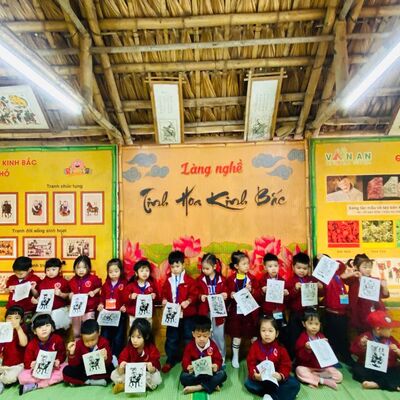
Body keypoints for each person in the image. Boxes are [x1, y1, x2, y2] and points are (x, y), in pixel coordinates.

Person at [245, 317, 300, 400]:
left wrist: (280, 376)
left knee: (295, 384)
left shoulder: (281, 348)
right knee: (249, 383)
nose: (267, 334)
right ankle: (278, 394)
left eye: (270, 331)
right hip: (261, 379)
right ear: (259, 332)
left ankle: (271, 396)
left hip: (276, 379)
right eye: (263, 330)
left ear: (276, 333)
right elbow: (251, 363)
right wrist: (255, 375)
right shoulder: (255, 346)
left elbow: (286, 365)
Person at [161, 251, 198, 373]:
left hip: (188, 315)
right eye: (172, 267)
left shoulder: (190, 281)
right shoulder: (168, 280)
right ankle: (170, 359)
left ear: (183, 265)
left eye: (177, 266)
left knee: (188, 337)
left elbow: (195, 294)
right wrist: (164, 299)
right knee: (171, 338)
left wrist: (188, 301)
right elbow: (164, 293)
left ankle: (188, 360)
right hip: (172, 314)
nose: (175, 269)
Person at [226, 250, 261, 368]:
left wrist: (252, 291)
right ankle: (235, 356)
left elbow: (259, 296)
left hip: (250, 312)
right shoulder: (230, 279)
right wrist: (230, 294)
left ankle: (255, 357)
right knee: (236, 335)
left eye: (247, 263)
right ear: (236, 266)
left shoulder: (252, 279)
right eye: (244, 264)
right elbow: (226, 293)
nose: (247, 266)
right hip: (236, 313)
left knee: (253, 335)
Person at [350, 310, 400, 391]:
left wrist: (397, 351)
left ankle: (377, 384)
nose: (391, 330)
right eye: (389, 328)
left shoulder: (391, 340)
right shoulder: (366, 337)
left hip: (388, 369)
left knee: (395, 372)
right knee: (357, 370)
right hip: (370, 368)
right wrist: (361, 345)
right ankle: (389, 384)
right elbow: (354, 351)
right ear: (378, 329)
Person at [314, 255, 350, 363]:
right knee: (332, 337)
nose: (326, 265)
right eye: (322, 263)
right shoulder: (322, 277)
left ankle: (345, 356)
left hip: (343, 312)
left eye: (327, 262)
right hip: (331, 312)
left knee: (343, 336)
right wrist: (320, 287)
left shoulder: (337, 273)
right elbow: (320, 293)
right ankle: (332, 359)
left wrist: (326, 259)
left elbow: (342, 265)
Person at [286, 252, 323, 357]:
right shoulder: (290, 281)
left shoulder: (312, 279)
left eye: (305, 268)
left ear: (308, 268)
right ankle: (294, 357)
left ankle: (311, 356)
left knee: (311, 335)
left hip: (311, 314)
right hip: (296, 314)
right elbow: (287, 299)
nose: (302, 271)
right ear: (293, 267)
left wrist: (320, 288)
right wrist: (295, 289)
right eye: (299, 268)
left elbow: (321, 294)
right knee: (294, 336)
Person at [18, 314, 66, 395]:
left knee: (65, 369)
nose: (44, 329)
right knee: (22, 377)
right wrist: (31, 364)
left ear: (52, 328)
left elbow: (62, 354)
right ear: (34, 331)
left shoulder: (57, 339)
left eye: (47, 325)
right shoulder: (32, 344)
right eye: (40, 327)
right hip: (38, 371)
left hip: (53, 369)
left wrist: (58, 360)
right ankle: (45, 383)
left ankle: (36, 385)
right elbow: (26, 362)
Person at [111, 318, 161, 394]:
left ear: (146, 337)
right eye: (132, 336)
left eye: (138, 337)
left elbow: (156, 367)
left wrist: (152, 369)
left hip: (145, 374)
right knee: (114, 374)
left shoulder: (151, 348)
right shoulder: (128, 348)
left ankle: (126, 386)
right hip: (131, 375)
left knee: (156, 378)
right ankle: (134, 386)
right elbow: (120, 367)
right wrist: (121, 367)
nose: (134, 340)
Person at [295, 309, 342, 389]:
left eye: (316, 324)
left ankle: (314, 378)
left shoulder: (321, 337)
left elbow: (328, 356)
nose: (314, 327)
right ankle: (323, 381)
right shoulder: (302, 338)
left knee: (338, 376)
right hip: (307, 367)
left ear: (320, 324)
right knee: (299, 371)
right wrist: (307, 349)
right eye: (310, 323)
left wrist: (326, 346)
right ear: (304, 324)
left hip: (322, 369)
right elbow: (299, 357)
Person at [342, 253, 389, 333]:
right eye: (365, 267)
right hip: (356, 316)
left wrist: (384, 287)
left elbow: (385, 295)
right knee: (357, 337)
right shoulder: (353, 279)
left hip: (371, 315)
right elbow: (342, 277)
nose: (368, 269)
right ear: (356, 267)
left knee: (371, 335)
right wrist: (353, 273)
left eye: (370, 267)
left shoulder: (375, 280)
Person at [180, 315, 227, 395]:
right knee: (183, 377)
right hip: (195, 374)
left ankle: (198, 387)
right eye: (198, 336)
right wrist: (188, 367)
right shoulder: (190, 346)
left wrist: (216, 365)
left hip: (209, 374)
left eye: (205, 336)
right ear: (193, 334)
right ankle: (211, 385)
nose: (201, 339)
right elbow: (185, 360)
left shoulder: (212, 345)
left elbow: (218, 359)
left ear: (209, 334)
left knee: (223, 374)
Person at [196, 253, 227, 363]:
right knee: (205, 335)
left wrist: (225, 294)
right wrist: (200, 296)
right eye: (203, 268)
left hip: (218, 313)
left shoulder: (222, 279)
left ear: (214, 267)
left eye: (207, 268)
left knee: (219, 335)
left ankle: (221, 357)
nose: (204, 271)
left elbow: (227, 291)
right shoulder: (200, 280)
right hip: (205, 312)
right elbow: (196, 293)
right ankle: (207, 358)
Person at [63, 319, 113, 386]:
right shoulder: (79, 344)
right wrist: (72, 353)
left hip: (100, 370)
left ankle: (81, 381)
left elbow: (109, 361)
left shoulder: (104, 342)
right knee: (66, 370)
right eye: (86, 341)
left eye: (93, 340)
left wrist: (106, 358)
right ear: (81, 336)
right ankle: (89, 381)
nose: (90, 343)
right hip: (85, 371)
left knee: (111, 368)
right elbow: (74, 365)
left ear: (98, 333)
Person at [98, 258, 127, 360]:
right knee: (105, 336)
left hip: (119, 315)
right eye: (110, 272)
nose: (113, 274)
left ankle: (116, 356)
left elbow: (127, 298)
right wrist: (101, 304)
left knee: (118, 337)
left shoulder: (124, 283)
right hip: (107, 315)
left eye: (116, 271)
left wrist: (125, 306)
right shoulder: (106, 284)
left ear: (121, 271)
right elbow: (102, 297)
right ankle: (105, 356)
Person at [32, 258, 71, 331]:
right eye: (48, 270)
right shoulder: (42, 282)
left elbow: (69, 296)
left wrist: (61, 294)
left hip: (59, 310)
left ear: (59, 269)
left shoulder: (64, 282)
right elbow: (38, 296)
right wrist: (35, 297)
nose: (50, 272)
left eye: (53, 269)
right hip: (44, 311)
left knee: (57, 327)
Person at [68, 255, 102, 338]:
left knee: (89, 330)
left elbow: (99, 287)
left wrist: (94, 292)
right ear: (74, 268)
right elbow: (70, 292)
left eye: (84, 267)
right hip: (76, 310)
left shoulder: (93, 278)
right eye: (78, 267)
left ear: (89, 268)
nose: (81, 270)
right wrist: (70, 295)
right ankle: (78, 344)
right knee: (76, 332)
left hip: (89, 309)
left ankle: (90, 345)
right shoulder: (72, 280)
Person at [261, 253, 289, 342]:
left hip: (279, 312)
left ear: (279, 266)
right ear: (265, 267)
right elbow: (258, 298)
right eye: (270, 266)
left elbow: (287, 300)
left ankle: (279, 348)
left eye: (276, 266)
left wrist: (286, 294)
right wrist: (262, 292)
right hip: (267, 312)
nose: (273, 268)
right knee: (268, 332)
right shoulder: (262, 281)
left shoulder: (282, 281)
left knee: (281, 332)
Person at [0, 306, 28, 393]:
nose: (13, 321)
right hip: (3, 363)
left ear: (21, 320)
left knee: (10, 378)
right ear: (5, 320)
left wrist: (18, 328)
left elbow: (24, 343)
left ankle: (2, 380)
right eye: (9, 318)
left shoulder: (22, 330)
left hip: (17, 365)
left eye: (16, 318)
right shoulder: (2, 330)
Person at [123, 259, 158, 327]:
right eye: (142, 271)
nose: (145, 273)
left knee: (147, 330)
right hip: (134, 314)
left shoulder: (151, 285)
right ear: (136, 273)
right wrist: (130, 296)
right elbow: (124, 298)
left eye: (147, 271)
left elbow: (157, 300)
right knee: (135, 330)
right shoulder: (131, 285)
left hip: (147, 314)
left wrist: (154, 296)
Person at [4, 256, 41, 321]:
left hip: (27, 310)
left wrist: (32, 288)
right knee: (11, 326)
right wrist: (8, 289)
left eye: (21, 274)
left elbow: (37, 296)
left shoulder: (35, 279)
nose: (18, 275)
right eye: (16, 273)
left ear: (29, 270)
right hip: (12, 309)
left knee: (26, 326)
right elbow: (6, 290)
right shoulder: (12, 278)